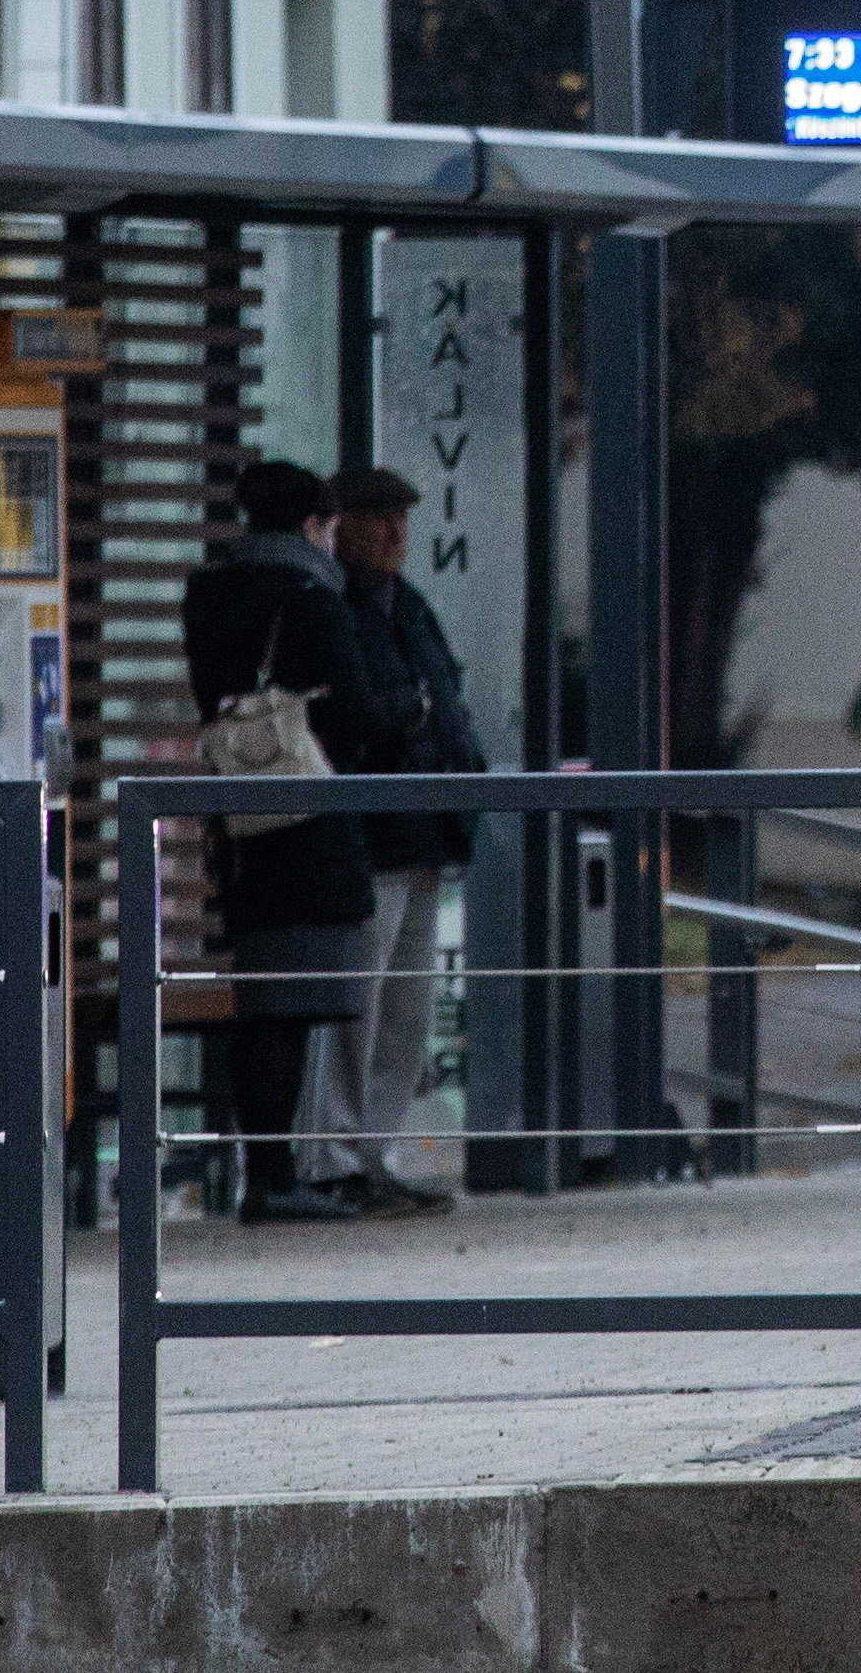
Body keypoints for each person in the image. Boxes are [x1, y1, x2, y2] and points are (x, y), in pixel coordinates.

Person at [179, 460, 392, 1222]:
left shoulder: (209, 594)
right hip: (306, 819)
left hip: (240, 821)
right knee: (291, 1007)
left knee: (262, 997)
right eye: (331, 528)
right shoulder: (311, 597)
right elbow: (358, 714)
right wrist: (402, 710)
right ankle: (274, 1174)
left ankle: (265, 1167)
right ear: (313, 525)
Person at [303, 467, 481, 1216]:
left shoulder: (408, 607)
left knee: (404, 1010)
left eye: (402, 518)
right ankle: (335, 1155)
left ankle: (371, 1152)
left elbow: (446, 704)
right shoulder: (338, 608)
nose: (395, 533)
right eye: (378, 518)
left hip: (424, 833)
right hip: (372, 836)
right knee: (359, 1006)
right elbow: (361, 721)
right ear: (341, 525)